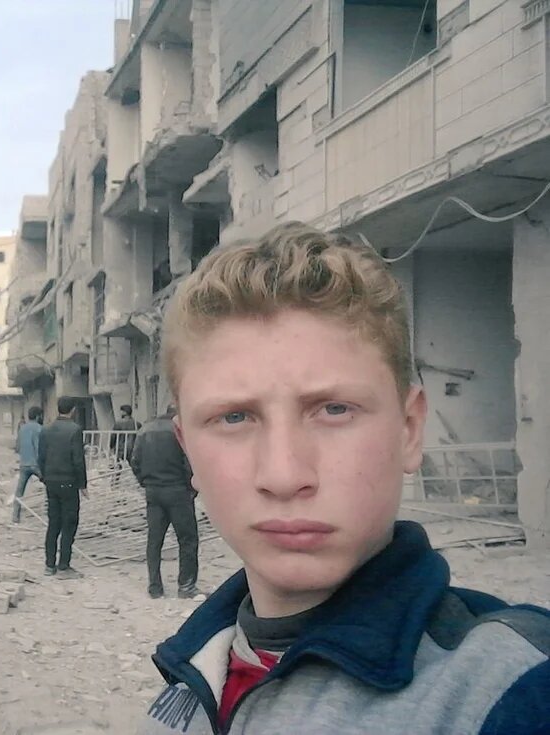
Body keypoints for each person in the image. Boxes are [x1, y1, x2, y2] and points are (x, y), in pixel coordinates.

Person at [141, 222, 550, 734]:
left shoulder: (511, 690)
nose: (284, 475)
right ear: (188, 454)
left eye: (334, 409)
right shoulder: (195, 669)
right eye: (234, 417)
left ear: (409, 429)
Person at [130, 406, 199, 599]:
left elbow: (134, 460)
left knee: (154, 541)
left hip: (153, 492)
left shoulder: (145, 429)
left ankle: (155, 587)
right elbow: (189, 463)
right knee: (187, 539)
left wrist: (144, 481)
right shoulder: (180, 430)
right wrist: (191, 488)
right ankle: (186, 586)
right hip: (177, 491)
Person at [37, 396, 88, 579]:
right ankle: (64, 566)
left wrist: (44, 476)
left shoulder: (46, 430)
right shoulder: (75, 430)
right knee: (69, 523)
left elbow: (41, 456)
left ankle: (49, 565)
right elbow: (78, 460)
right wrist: (83, 484)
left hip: (51, 481)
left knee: (53, 523)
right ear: (73, 410)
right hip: (68, 482)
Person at [13, 406, 44, 523]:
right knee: (49, 486)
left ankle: (15, 516)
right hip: (36, 464)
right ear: (38, 416)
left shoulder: (22, 429)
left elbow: (17, 447)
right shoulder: (40, 429)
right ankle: (49, 512)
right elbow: (39, 448)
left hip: (24, 463)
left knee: (19, 491)